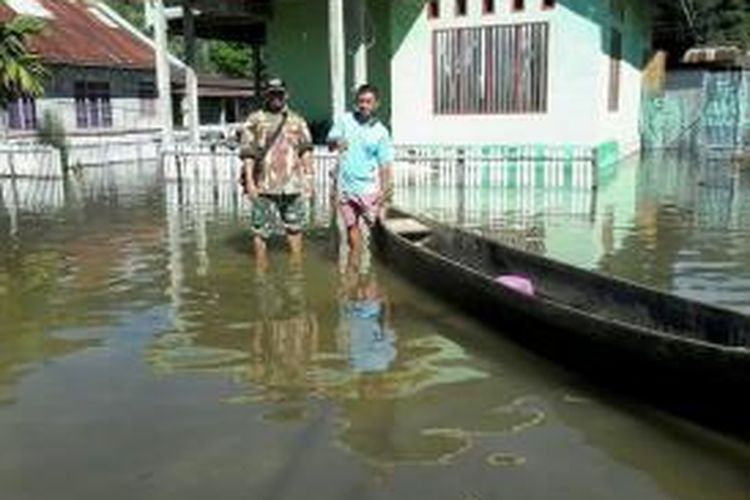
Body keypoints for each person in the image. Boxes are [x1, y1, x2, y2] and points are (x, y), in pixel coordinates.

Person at [239, 77, 314, 269]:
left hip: (292, 186)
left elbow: (305, 151)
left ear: (286, 95)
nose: (276, 98)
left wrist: (309, 180)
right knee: (260, 231)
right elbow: (248, 153)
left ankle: (296, 267)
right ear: (266, 95)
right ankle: (261, 269)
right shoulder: (255, 120)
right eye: (272, 93)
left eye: (279, 93)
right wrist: (250, 182)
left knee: (295, 228)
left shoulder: (297, 120)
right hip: (263, 186)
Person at [327, 84, 394, 273]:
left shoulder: (381, 132)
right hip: (346, 188)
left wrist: (385, 191)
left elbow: (384, 164)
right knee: (351, 228)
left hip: (369, 189)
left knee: (377, 229)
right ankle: (355, 266)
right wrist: (335, 141)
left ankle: (379, 269)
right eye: (361, 101)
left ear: (376, 104)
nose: (364, 105)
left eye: (368, 102)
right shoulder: (345, 120)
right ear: (356, 103)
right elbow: (330, 142)